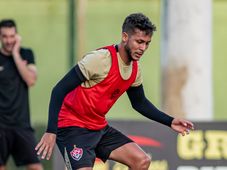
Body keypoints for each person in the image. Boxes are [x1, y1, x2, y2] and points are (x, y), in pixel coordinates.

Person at [35, 13, 194, 170]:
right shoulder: (100, 59)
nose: (143, 48)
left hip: (98, 127)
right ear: (125, 37)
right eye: (139, 42)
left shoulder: (134, 69)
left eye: (147, 43)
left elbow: (139, 103)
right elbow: (59, 90)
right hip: (72, 127)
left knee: (142, 161)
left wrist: (170, 121)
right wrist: (51, 131)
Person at [0, 19, 43, 170]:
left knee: (36, 167)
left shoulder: (26, 54)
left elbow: (31, 80)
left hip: (21, 125)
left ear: (17, 36)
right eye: (5, 36)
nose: (8, 40)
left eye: (12, 36)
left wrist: (16, 54)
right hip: (1, 125)